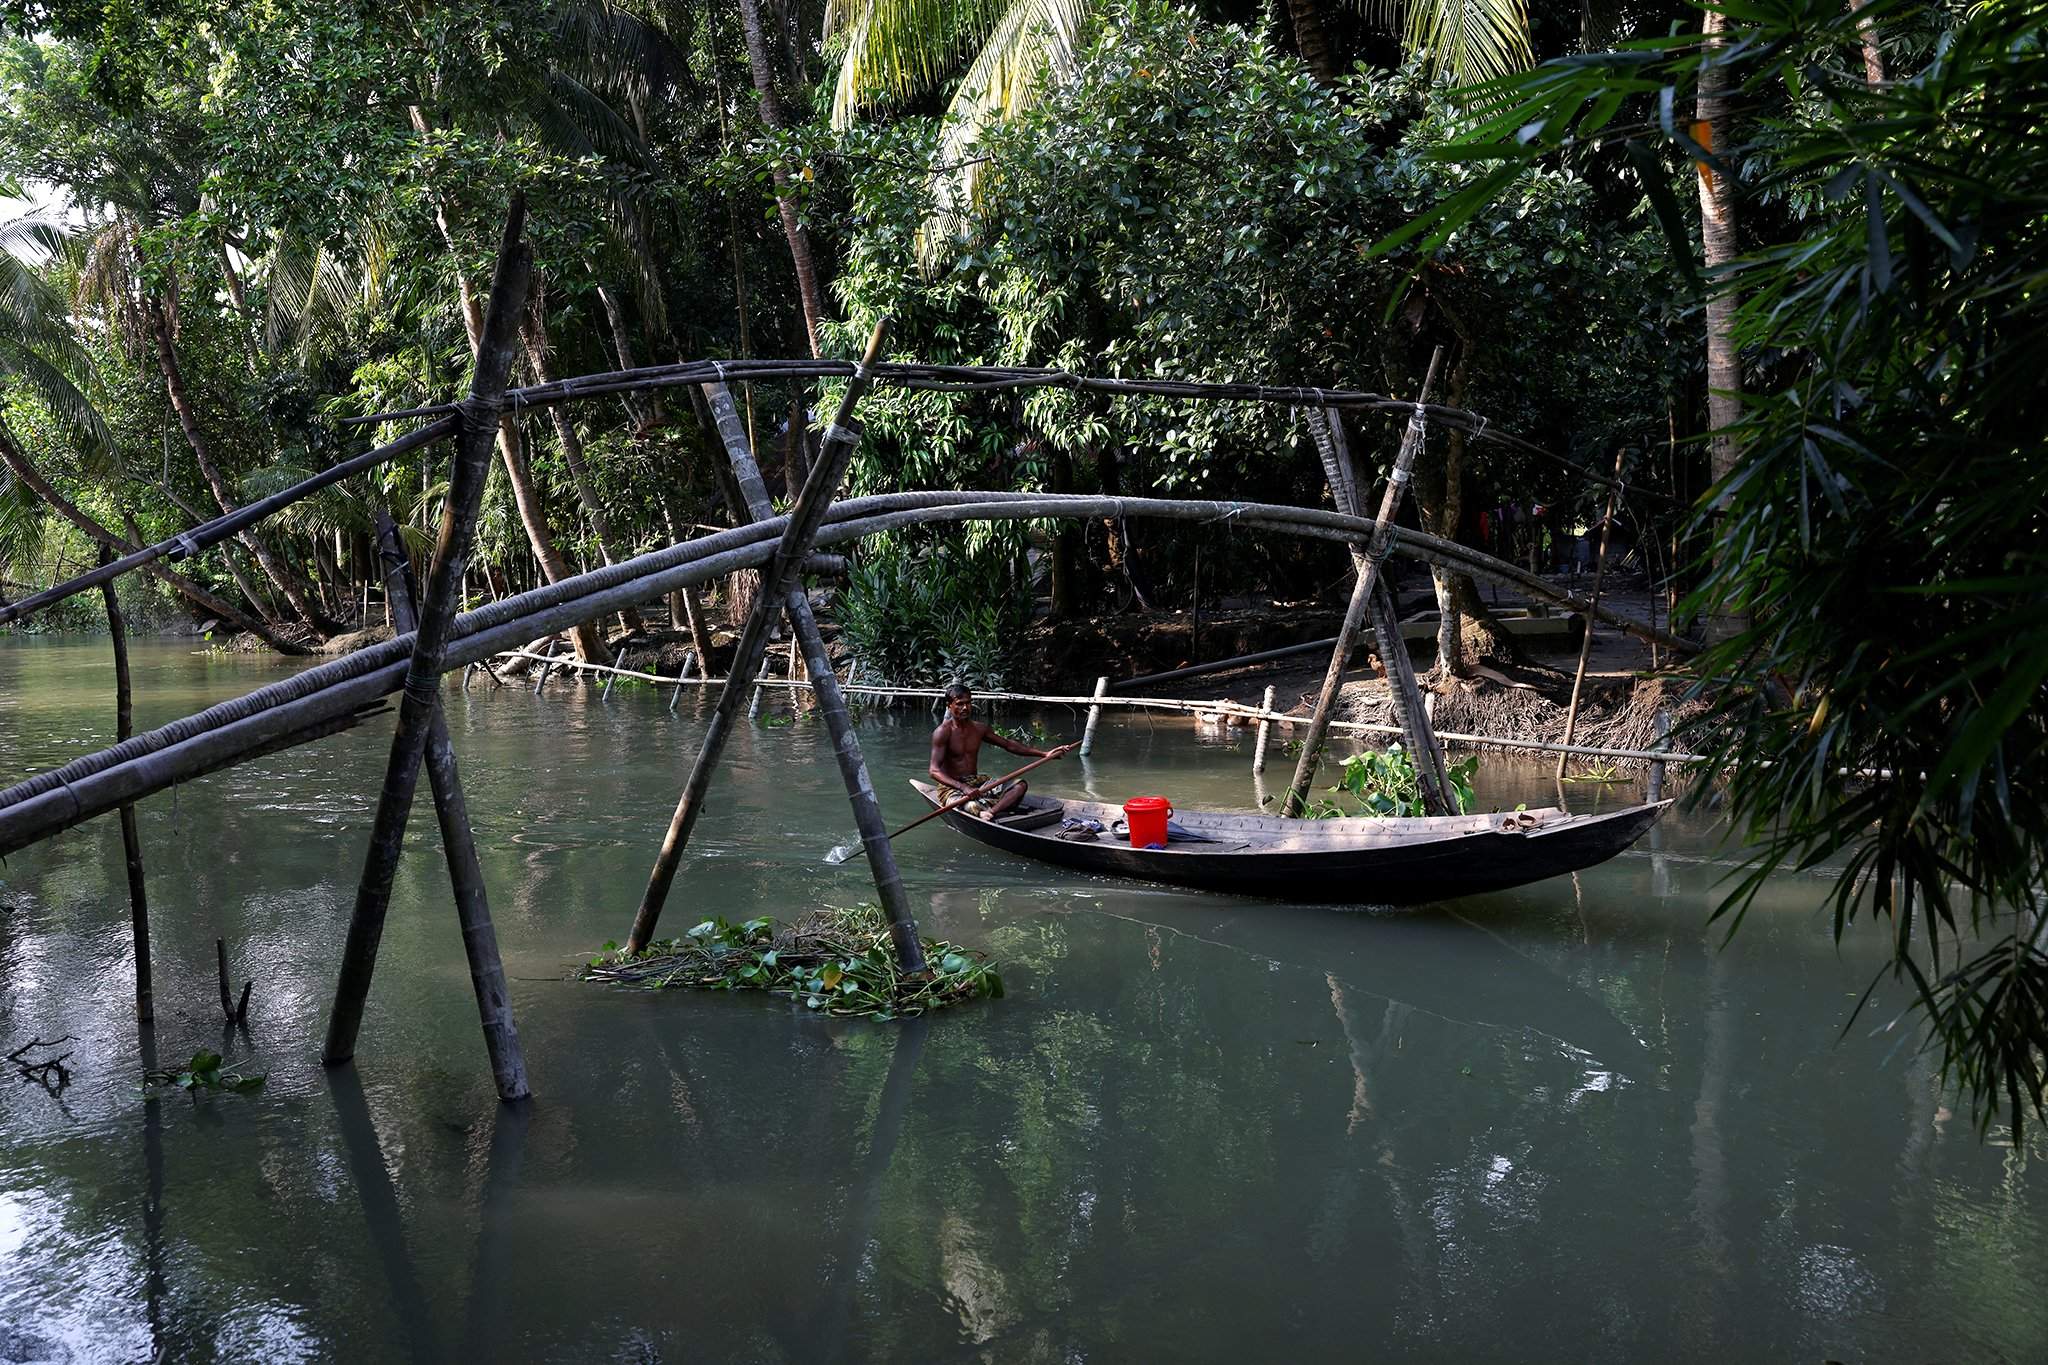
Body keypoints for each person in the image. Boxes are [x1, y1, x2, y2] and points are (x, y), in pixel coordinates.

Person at [928, 683, 1076, 820]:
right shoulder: (943, 732)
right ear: (949, 706)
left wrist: (1044, 754)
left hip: (976, 782)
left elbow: (1008, 745)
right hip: (952, 787)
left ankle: (990, 812)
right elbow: (934, 771)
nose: (965, 708)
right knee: (971, 806)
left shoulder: (979, 728)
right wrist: (963, 787)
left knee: (1020, 786)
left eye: (968, 702)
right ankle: (983, 809)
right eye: (960, 704)